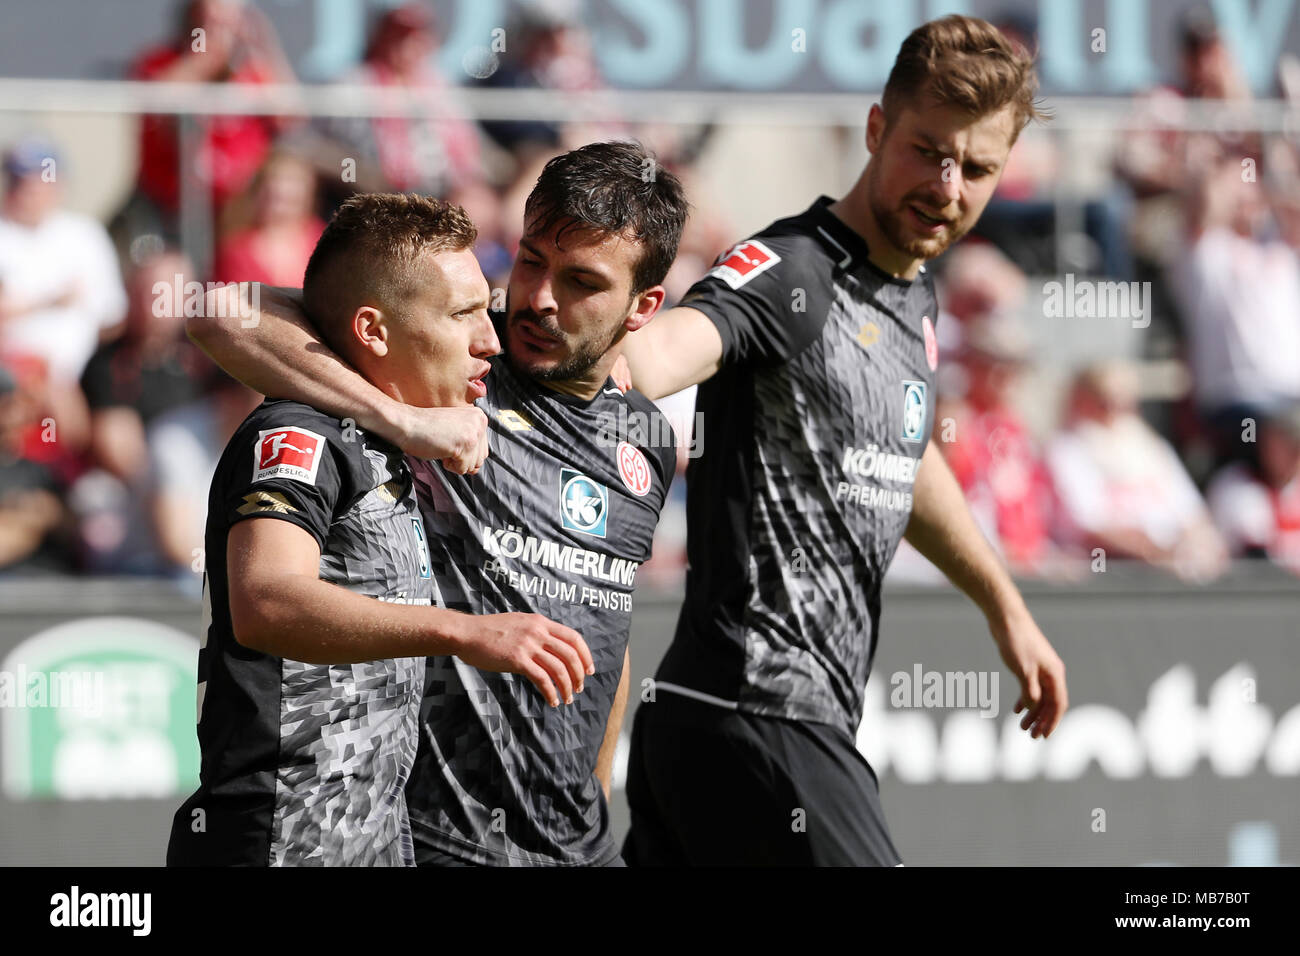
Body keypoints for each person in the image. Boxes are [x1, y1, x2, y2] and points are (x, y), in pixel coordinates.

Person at [617, 14, 1068, 866]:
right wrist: (589, 350)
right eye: (927, 151)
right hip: (757, 713)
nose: (947, 186)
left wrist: (1006, 610)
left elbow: (905, 456)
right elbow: (668, 349)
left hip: (717, 725)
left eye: (976, 168)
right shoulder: (792, 268)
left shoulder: (913, 296)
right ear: (874, 129)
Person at [187, 142, 687, 866]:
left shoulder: (645, 438)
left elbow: (608, 628)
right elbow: (218, 313)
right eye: (530, 261)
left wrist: (599, 790)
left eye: (581, 281)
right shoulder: (453, 372)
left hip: (580, 846)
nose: (538, 299)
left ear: (642, 308)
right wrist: (406, 423)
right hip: (434, 838)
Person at [1046, 361, 1227, 580]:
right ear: (1080, 401)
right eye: (1105, 402)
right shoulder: (1066, 450)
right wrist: (1154, 553)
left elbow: (1194, 516)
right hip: (1111, 576)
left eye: (1126, 402)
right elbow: (1089, 529)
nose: (1117, 412)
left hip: (1174, 569)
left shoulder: (1152, 448)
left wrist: (1194, 548)